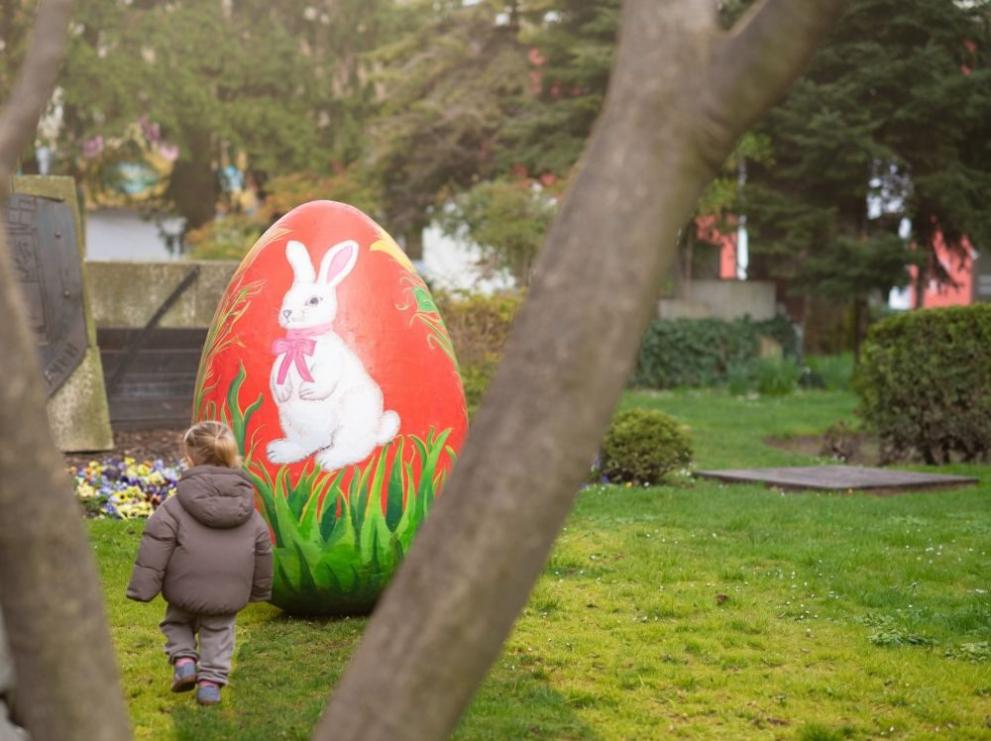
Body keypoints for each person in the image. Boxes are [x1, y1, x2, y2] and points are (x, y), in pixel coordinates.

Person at [126, 421, 272, 706]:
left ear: (189, 458)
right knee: (219, 631)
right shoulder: (248, 510)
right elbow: (263, 551)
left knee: (177, 621)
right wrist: (259, 591)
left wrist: (142, 589)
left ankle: (183, 660)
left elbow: (155, 547)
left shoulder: (175, 507)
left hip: (184, 588)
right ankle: (209, 684)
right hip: (229, 591)